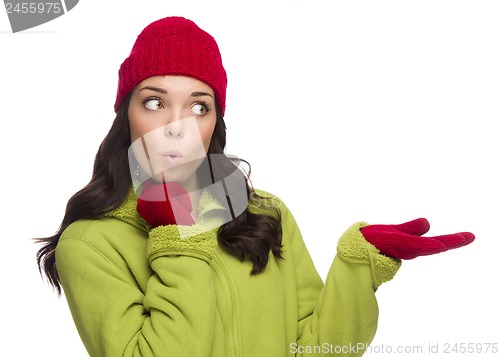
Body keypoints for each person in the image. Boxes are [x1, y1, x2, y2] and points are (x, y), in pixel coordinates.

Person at [35, 16, 475, 357]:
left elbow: (319, 348)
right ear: (125, 113)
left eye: (198, 106)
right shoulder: (91, 243)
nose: (175, 126)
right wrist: (174, 237)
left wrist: (358, 265)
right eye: (154, 102)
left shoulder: (264, 212)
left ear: (214, 122)